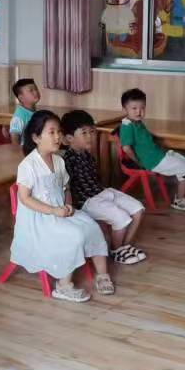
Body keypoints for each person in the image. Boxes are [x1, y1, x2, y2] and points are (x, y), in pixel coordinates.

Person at [12, 110, 113, 300]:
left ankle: (102, 275)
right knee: (74, 235)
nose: (58, 136)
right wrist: (53, 211)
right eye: (51, 132)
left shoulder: (59, 160)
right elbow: (25, 198)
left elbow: (66, 188)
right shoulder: (28, 165)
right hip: (39, 219)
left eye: (59, 131)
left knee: (92, 226)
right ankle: (63, 285)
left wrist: (68, 205)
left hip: (60, 211)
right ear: (36, 137)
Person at [61, 109, 146, 265]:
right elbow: (66, 188)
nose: (90, 136)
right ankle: (115, 250)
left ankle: (124, 246)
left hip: (101, 192)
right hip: (87, 201)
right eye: (84, 133)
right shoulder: (67, 160)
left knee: (138, 210)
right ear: (69, 138)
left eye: (92, 132)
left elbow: (96, 179)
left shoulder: (87, 155)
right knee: (122, 218)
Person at [118, 88, 185, 211]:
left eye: (142, 108)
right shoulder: (127, 126)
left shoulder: (137, 122)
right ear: (125, 109)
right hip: (152, 161)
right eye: (134, 108)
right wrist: (137, 162)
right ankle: (179, 200)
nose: (139, 112)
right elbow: (126, 148)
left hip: (159, 155)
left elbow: (144, 138)